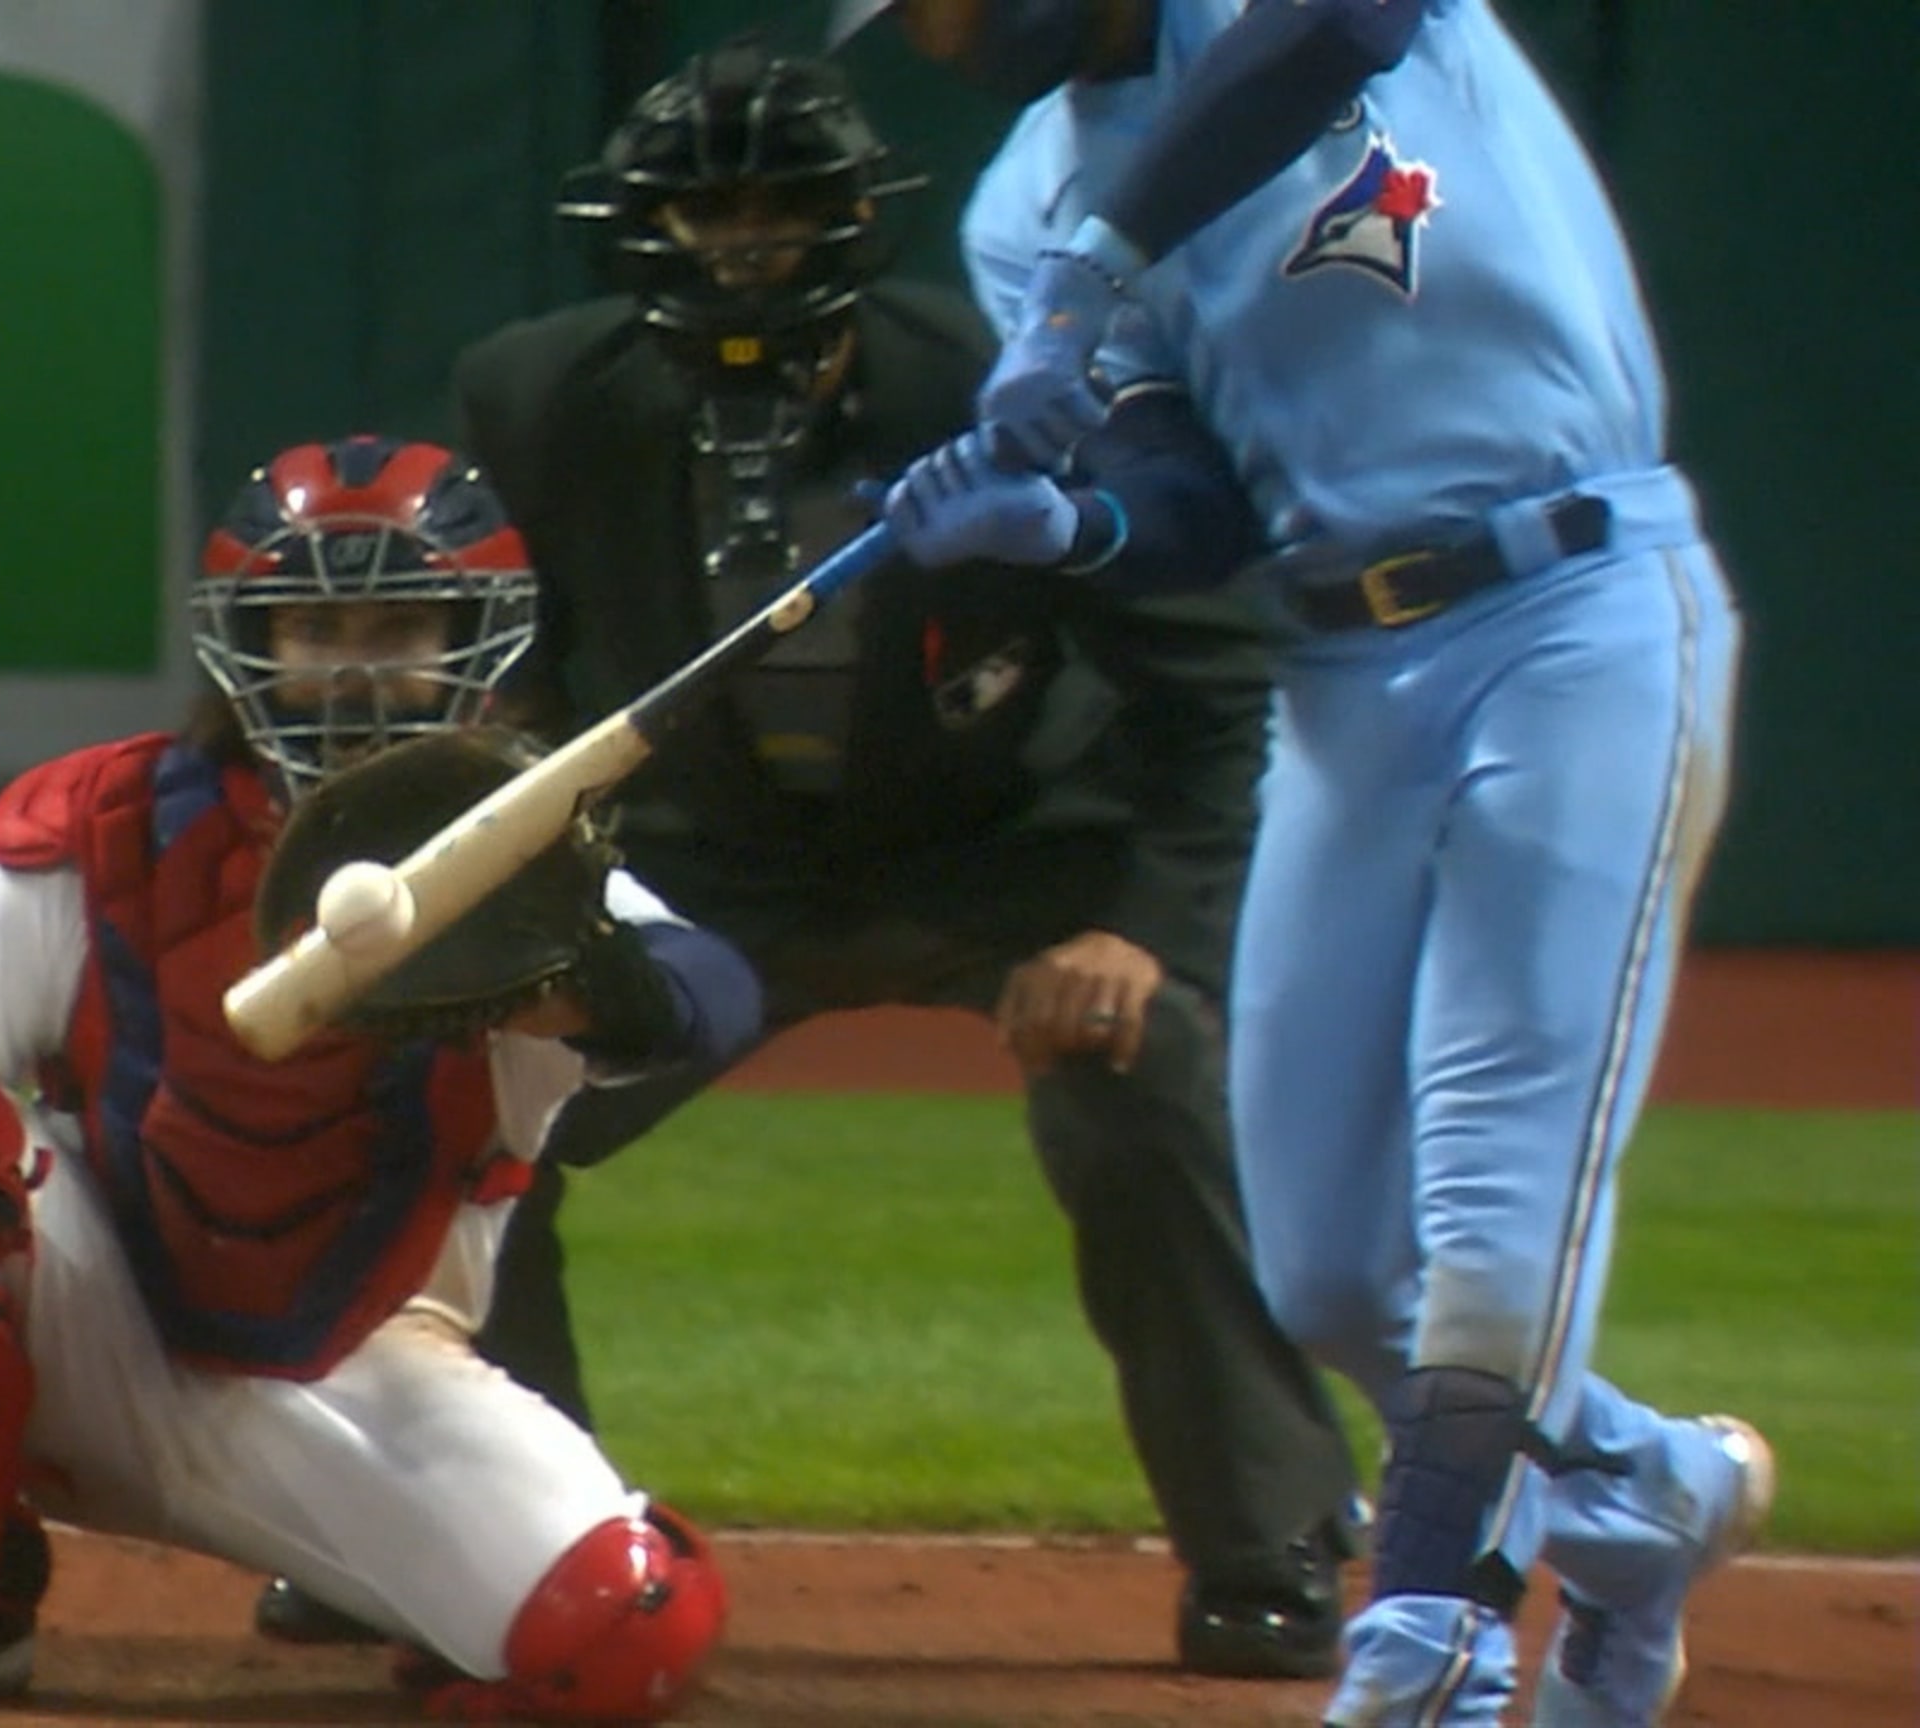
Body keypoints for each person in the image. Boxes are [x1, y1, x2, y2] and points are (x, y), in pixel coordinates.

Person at [256, 39, 1365, 1680]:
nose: (743, 246)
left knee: (1146, 1079)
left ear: (857, 214)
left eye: (779, 208)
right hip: (712, 870)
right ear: (641, 230)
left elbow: (1203, 681)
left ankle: (1266, 1543)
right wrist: (538, 924)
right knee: (460, 1093)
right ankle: (494, 1538)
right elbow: (508, 670)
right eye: (708, 215)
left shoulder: (999, 377)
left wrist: (1141, 925)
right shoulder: (536, 394)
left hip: (1003, 860)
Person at [875, 3, 1775, 1724]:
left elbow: (1335, 29)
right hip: (1342, 676)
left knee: (1493, 1191)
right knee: (1323, 1266)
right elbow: (1187, 497)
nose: (935, 26)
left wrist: (1105, 250)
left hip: (1576, 608)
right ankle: (1643, 1487)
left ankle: (1428, 1641)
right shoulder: (1019, 201)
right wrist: (1068, 524)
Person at [0, 434, 761, 1721]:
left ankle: (411, 1586)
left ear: (480, 641)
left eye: (400, 624)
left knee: (627, 1634)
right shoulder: (110, 826)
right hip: (88, 1333)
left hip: (362, 1377)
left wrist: (580, 987)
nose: (357, 666)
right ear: (245, 644)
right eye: (314, 627)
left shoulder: (534, 879)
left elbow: (714, 995)